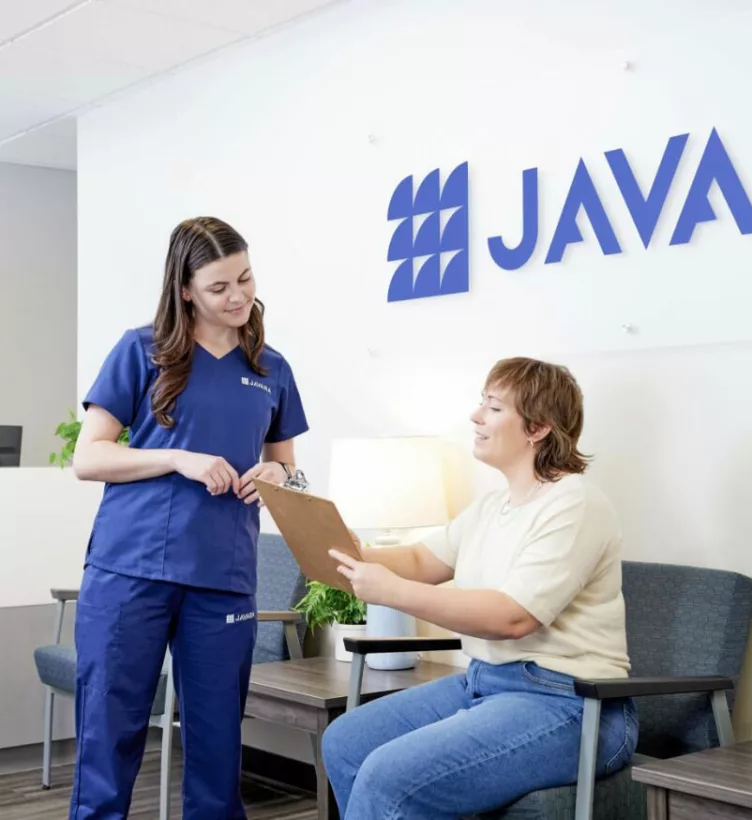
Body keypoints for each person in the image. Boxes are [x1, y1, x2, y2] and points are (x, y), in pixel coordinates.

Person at [320, 357, 638, 819]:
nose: (475, 417)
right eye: (481, 403)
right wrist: (352, 552)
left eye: (493, 407)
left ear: (538, 428)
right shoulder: (493, 505)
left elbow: (512, 616)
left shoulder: (576, 502)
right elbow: (419, 561)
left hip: (571, 703)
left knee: (389, 776)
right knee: (346, 742)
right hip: (484, 683)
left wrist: (389, 591)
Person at [68, 216, 309, 819]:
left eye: (245, 279)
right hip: (131, 568)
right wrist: (177, 457)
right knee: (109, 733)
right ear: (184, 289)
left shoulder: (271, 368)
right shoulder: (140, 349)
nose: (238, 297)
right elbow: (89, 457)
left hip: (222, 573)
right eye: (219, 287)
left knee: (218, 746)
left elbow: (288, 468)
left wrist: (279, 477)